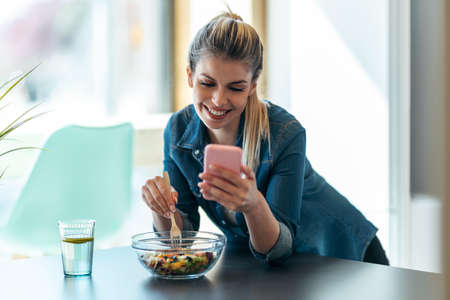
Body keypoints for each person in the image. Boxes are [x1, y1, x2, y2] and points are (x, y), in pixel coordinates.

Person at [141, 11, 389, 265]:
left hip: (343, 257)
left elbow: (278, 248)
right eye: (207, 83)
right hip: (272, 270)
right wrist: (160, 208)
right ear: (190, 76)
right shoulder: (178, 131)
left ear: (252, 86)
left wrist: (252, 204)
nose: (218, 99)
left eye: (235, 87)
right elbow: (180, 239)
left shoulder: (284, 133)